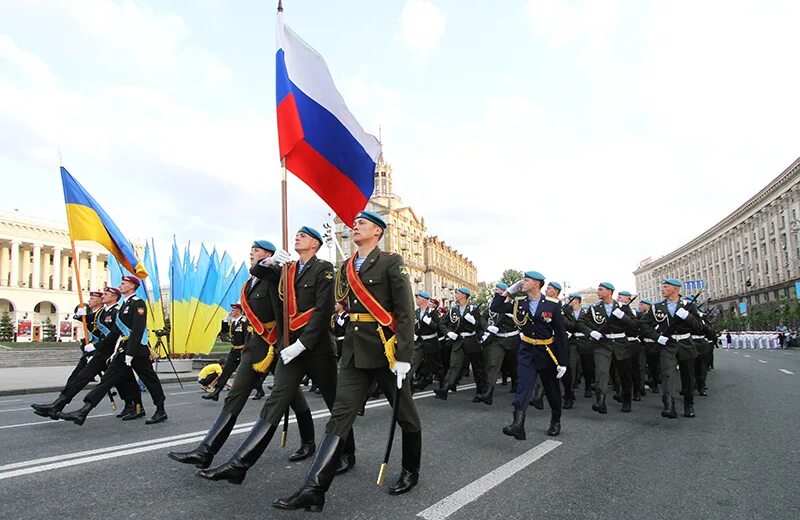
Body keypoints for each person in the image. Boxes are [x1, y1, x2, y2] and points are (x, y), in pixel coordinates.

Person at [273, 211, 420, 512]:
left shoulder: (392, 263)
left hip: (387, 352)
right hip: (355, 353)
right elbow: (337, 303)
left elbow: (405, 312)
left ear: (378, 232)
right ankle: (313, 489)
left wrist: (404, 356)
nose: (355, 226)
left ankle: (410, 470)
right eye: (355, 223)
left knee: (406, 415)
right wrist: (285, 271)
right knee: (339, 416)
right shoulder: (347, 267)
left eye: (362, 223)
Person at [195, 228, 344, 484]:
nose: (297, 237)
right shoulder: (287, 269)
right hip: (290, 348)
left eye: (303, 236)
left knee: (334, 403)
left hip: (317, 348)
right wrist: (271, 261)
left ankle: (347, 452)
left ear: (316, 244)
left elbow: (323, 310)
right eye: (296, 234)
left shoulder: (325, 268)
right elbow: (257, 272)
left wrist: (303, 344)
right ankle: (239, 465)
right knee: (274, 402)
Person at [168, 240, 309, 472]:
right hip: (255, 347)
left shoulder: (274, 275)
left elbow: (283, 313)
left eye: (257, 250)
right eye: (252, 250)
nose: (251, 253)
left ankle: (308, 442)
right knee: (235, 396)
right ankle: (206, 452)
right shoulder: (250, 283)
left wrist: (285, 344)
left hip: (274, 345)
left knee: (293, 398)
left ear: (269, 254)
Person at [59, 276, 168, 425]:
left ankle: (160, 409)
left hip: (137, 350)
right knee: (107, 380)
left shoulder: (138, 303)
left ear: (131, 286)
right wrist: (96, 346)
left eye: (123, 284)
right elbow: (116, 331)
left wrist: (131, 352)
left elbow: (137, 329)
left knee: (150, 380)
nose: (120, 285)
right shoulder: (124, 305)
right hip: (123, 349)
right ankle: (84, 411)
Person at [31, 287, 140, 420]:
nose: (102, 296)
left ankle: (135, 406)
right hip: (100, 352)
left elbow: (114, 334)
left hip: (111, 352)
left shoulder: (117, 311)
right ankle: (57, 405)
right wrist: (78, 314)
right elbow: (87, 319)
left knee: (124, 380)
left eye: (105, 294)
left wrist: (95, 346)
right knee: (82, 377)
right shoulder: (101, 313)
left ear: (113, 297)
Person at [491, 271, 567, 439]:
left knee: (552, 390)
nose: (522, 283)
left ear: (536, 284)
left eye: (525, 281)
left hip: (547, 352)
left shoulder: (552, 305)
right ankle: (518, 424)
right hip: (526, 350)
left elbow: (561, 335)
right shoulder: (519, 302)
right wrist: (509, 291)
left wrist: (563, 362)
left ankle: (556, 420)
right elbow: (495, 307)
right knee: (523, 387)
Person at [639, 279, 703, 418]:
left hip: (686, 344)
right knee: (667, 375)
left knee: (687, 376)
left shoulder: (688, 306)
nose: (662, 290)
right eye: (662, 287)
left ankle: (688, 404)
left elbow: (699, 326)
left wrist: (687, 317)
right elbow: (644, 324)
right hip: (668, 345)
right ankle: (669, 405)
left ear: (675, 289)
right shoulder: (657, 307)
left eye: (665, 287)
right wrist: (657, 337)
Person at [576, 282, 639, 414]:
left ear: (609, 292)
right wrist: (591, 332)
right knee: (601, 372)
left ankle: (626, 399)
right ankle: (600, 401)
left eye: (601, 289)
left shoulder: (623, 307)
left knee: (624, 373)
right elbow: (581, 322)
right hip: (603, 343)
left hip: (621, 343)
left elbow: (634, 325)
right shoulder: (594, 308)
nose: (598, 292)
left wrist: (623, 317)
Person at [434, 287, 486, 401]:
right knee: (454, 365)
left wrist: (473, 321)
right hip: (458, 341)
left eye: (457, 293)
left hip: (471, 341)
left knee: (477, 368)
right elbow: (442, 323)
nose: (455, 295)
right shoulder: (453, 310)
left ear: (464, 295)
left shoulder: (473, 309)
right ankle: (445, 389)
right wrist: (449, 333)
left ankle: (480, 392)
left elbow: (482, 326)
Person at [476, 282, 519, 405]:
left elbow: (522, 320)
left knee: (514, 366)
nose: (496, 292)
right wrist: (488, 327)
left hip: (512, 340)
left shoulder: (513, 306)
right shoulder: (492, 306)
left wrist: (513, 317)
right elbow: (483, 317)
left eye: (499, 290)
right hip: (497, 339)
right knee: (492, 364)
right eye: (495, 290)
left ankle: (516, 386)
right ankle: (488, 393)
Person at [203, 304, 247, 401]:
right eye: (232, 310)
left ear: (239, 311)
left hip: (242, 351)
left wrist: (246, 351)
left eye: (234, 310)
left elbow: (247, 337)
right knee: (226, 372)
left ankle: (257, 389)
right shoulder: (232, 322)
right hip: (234, 350)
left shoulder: (244, 321)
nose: (231, 312)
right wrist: (226, 321)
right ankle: (216, 393)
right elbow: (224, 332)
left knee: (247, 374)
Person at [410, 291, 443, 392]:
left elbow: (439, 328)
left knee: (436, 366)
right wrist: (414, 334)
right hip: (419, 343)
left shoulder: (433, 312)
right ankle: (408, 388)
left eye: (418, 298)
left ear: (423, 300)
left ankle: (443, 386)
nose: (416, 300)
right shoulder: (416, 312)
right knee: (412, 364)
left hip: (431, 343)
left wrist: (430, 323)